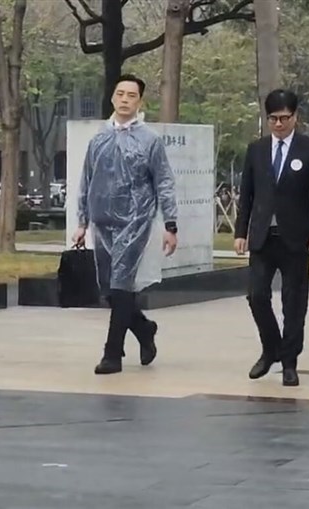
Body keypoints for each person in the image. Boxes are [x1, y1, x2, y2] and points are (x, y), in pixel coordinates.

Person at [73, 74, 178, 375]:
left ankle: (112, 353)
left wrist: (170, 225)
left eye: (131, 95)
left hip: (135, 221)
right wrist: (82, 222)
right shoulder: (99, 139)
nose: (124, 100)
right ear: (112, 98)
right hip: (102, 222)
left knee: (121, 285)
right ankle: (144, 329)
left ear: (140, 102)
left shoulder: (150, 141)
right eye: (120, 94)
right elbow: (86, 181)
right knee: (109, 288)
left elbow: (165, 183)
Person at [234, 89, 309, 387]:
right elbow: (246, 194)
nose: (278, 124)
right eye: (273, 118)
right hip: (262, 236)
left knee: (294, 302)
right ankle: (271, 346)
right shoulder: (257, 149)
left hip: (295, 236)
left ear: (295, 117)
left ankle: (289, 361)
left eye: (284, 118)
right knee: (257, 295)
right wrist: (240, 232)